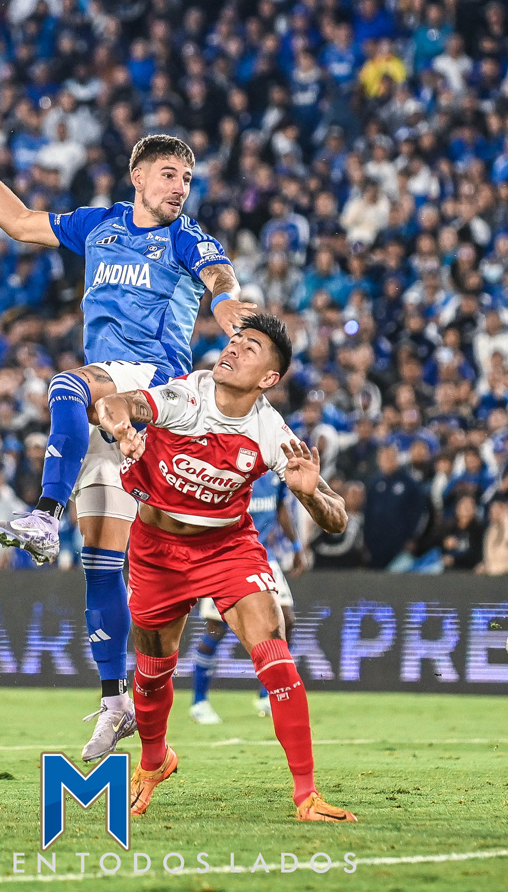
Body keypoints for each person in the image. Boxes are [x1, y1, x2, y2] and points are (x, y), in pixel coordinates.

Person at [0, 99, 254, 762]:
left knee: (66, 387)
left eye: (187, 178)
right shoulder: (98, 226)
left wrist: (225, 307)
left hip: (154, 388)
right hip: (115, 401)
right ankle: (115, 703)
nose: (180, 187)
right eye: (169, 174)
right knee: (102, 566)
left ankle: (45, 512)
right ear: (138, 176)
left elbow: (218, 275)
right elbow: (19, 221)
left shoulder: (187, 236)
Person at [94, 315, 356, 821]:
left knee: (274, 649)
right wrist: (122, 427)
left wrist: (308, 495)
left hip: (227, 547)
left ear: (269, 378)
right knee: (151, 672)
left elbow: (337, 518)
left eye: (250, 347)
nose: (233, 348)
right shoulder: (184, 397)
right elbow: (114, 404)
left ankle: (307, 796)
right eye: (235, 339)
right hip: (156, 550)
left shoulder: (271, 432)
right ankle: (154, 761)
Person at [190, 471, 305, 724]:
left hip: (264, 556)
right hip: (227, 557)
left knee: (286, 620)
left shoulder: (273, 472)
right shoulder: (226, 470)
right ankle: (199, 701)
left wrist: (296, 546)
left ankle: (267, 695)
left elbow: (281, 507)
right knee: (216, 628)